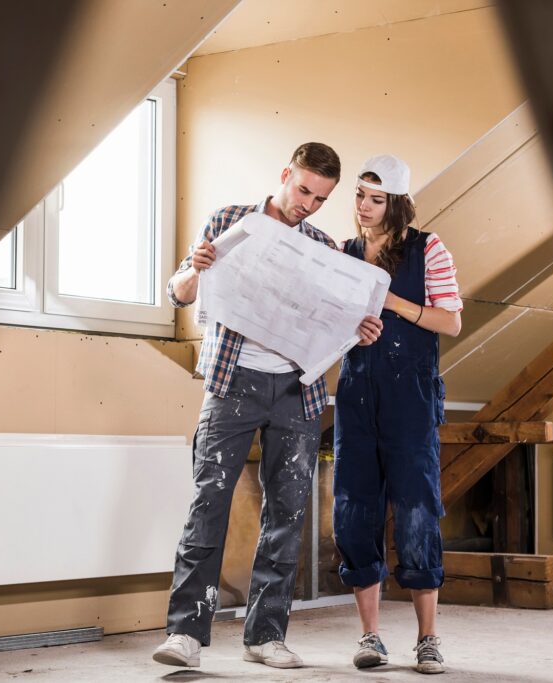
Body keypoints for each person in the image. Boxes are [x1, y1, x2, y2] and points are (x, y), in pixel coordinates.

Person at [152, 142, 383, 670]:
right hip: (231, 380)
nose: (308, 204)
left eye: (321, 198)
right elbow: (181, 292)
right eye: (303, 190)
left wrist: (361, 331)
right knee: (208, 504)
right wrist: (196, 269)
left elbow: (332, 318)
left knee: (288, 511)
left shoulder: (323, 246)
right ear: (285, 175)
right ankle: (185, 633)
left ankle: (265, 635)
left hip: (297, 390)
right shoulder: (231, 220)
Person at [332, 154, 462, 674]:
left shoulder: (428, 248)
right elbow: (331, 322)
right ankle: (370, 636)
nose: (364, 207)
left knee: (416, 511)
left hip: (410, 399)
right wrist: (351, 328)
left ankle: (428, 638)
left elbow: (450, 320)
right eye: (360, 195)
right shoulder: (343, 253)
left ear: (398, 202)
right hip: (356, 397)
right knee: (354, 510)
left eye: (376, 198)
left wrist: (393, 303)